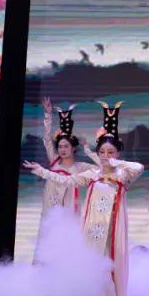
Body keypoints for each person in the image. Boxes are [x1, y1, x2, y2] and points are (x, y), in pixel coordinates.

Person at [23, 101, 144, 296]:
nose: (106, 155)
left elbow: (139, 167)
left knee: (108, 263)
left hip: (112, 230)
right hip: (90, 228)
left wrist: (115, 162)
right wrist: (41, 171)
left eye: (111, 152)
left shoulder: (122, 175)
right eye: (103, 152)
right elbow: (66, 181)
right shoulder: (92, 175)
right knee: (91, 263)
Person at [32, 99, 95, 259]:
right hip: (51, 210)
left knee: (68, 244)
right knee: (48, 241)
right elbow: (47, 140)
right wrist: (48, 115)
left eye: (66, 146)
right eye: (60, 146)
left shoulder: (81, 167)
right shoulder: (54, 162)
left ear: (73, 148)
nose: (62, 149)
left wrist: (88, 149)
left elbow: (102, 168)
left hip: (69, 212)